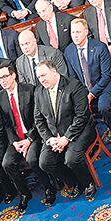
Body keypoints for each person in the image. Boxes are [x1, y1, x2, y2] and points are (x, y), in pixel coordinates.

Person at [64, 18, 111, 158]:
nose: (75, 35)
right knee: (73, 110)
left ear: (86, 32)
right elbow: (73, 78)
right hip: (84, 90)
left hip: (103, 86)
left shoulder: (99, 47)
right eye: (73, 32)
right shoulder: (69, 51)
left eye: (78, 32)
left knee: (104, 107)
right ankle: (91, 141)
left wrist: (91, 94)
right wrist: (82, 95)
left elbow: (106, 76)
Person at [34, 61, 97, 199]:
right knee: (45, 162)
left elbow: (82, 116)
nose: (42, 79)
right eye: (39, 77)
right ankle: (73, 183)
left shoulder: (74, 86)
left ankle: (87, 183)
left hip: (79, 131)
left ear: (54, 71)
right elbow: (38, 120)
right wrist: (50, 139)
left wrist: (66, 138)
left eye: (44, 75)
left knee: (71, 159)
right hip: (54, 137)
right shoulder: (39, 91)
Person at [0, 63, 42, 210]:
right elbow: (6, 124)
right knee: (6, 164)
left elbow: (38, 118)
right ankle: (24, 193)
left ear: (13, 75)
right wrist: (14, 141)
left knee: (32, 159)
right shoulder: (0, 96)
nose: (3, 80)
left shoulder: (28, 90)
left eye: (5, 76)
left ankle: (48, 187)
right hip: (15, 138)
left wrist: (29, 139)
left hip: (33, 134)